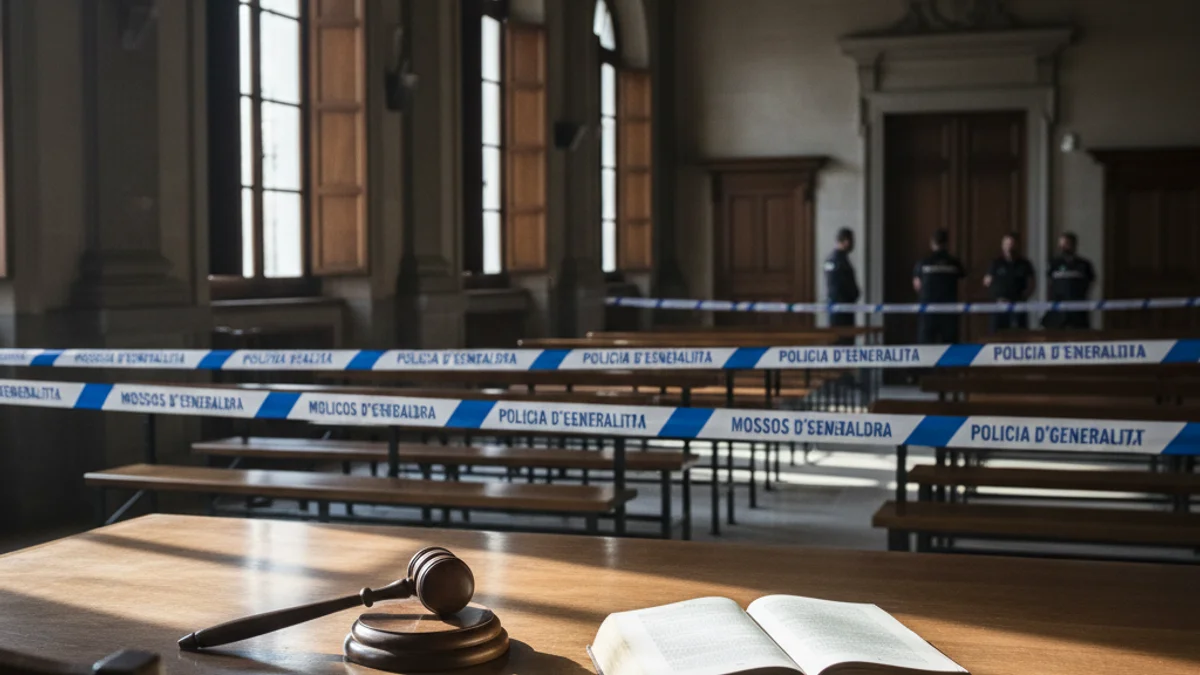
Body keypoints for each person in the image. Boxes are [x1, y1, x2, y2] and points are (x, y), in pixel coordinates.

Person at [912, 229, 965, 344]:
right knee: (950, 346)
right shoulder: (955, 263)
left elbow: (917, 285)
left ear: (932, 243)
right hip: (949, 310)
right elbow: (963, 283)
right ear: (947, 243)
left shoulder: (923, 263)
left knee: (925, 346)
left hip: (928, 310)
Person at [983, 232, 1035, 333]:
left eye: (1012, 244)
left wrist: (1023, 297)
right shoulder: (996, 262)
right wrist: (997, 297)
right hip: (999, 304)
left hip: (1019, 304)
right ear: (1002, 246)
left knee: (1020, 332)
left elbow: (1032, 283)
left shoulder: (1025, 263)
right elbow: (987, 282)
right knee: (996, 333)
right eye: (1007, 244)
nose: (1009, 247)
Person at [1042, 232, 1095, 330]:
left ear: (1074, 245)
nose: (1063, 247)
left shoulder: (1084, 264)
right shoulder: (1054, 263)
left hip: (1077, 309)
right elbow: (1050, 282)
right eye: (1061, 244)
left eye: (1066, 244)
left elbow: (1090, 282)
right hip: (1057, 309)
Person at [824, 228, 860, 332]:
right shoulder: (839, 261)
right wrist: (854, 294)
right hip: (842, 309)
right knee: (842, 340)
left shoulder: (833, 259)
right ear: (846, 241)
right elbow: (842, 284)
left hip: (840, 307)